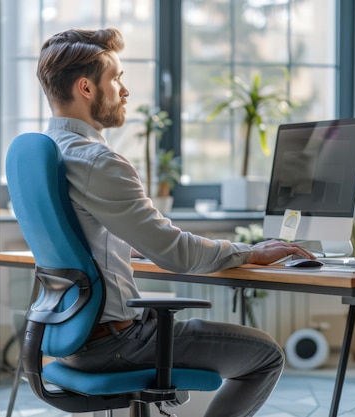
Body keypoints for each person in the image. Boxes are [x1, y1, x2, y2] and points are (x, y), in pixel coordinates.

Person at [35, 27, 315, 417]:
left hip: (65, 338)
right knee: (266, 355)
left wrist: (127, 243)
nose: (124, 90)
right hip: (116, 344)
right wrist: (251, 251)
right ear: (86, 88)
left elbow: (80, 237)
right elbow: (177, 255)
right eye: (115, 79)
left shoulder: (44, 154)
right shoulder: (98, 161)